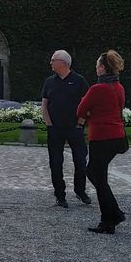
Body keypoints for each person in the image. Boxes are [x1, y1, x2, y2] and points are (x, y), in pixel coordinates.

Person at [75, 49, 128, 234]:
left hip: (101, 137)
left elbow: (80, 110)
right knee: (99, 175)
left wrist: (89, 115)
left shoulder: (97, 89)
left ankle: (113, 215)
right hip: (117, 137)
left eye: (97, 65)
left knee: (95, 174)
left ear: (103, 68)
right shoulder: (119, 87)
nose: (96, 67)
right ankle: (109, 219)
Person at [41, 50, 90, 208]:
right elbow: (44, 104)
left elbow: (87, 103)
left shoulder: (79, 81)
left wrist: (80, 123)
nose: (50, 63)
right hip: (55, 128)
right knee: (55, 162)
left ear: (62, 62)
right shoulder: (49, 81)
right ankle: (60, 195)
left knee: (81, 161)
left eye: (53, 60)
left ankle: (80, 190)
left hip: (74, 128)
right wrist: (49, 123)